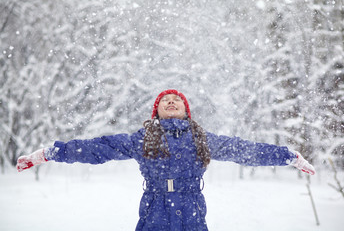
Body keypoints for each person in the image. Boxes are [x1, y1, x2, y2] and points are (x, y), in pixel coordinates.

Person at [16, 89, 315, 231]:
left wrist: (287, 155)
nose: (171, 102)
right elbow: (98, 148)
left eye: (177, 101)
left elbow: (244, 150)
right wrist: (49, 153)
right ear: (156, 111)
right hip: (154, 208)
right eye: (164, 101)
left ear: (186, 111)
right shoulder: (142, 138)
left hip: (192, 210)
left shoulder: (201, 139)